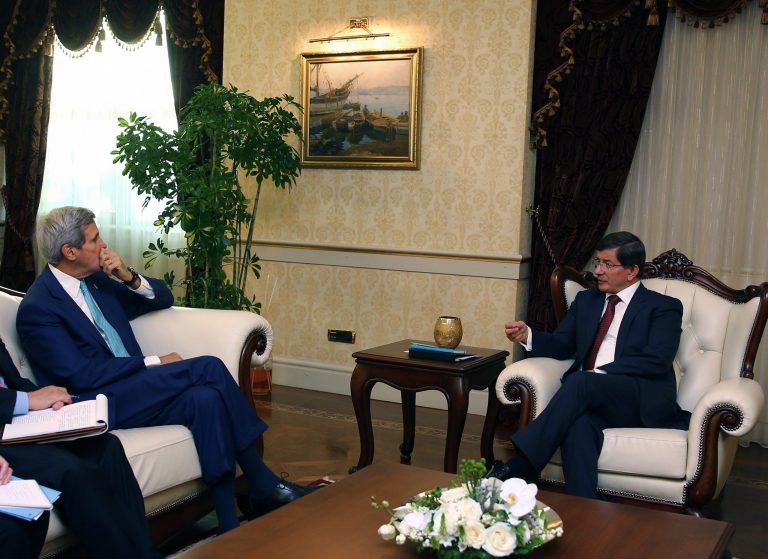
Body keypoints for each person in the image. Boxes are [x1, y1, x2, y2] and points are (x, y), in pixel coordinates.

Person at [16, 206, 314, 533]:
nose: (103, 245)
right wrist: (154, 362)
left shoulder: (97, 282)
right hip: (95, 403)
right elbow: (80, 376)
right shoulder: (39, 308)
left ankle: (229, 525)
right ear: (70, 251)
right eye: (95, 239)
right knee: (210, 368)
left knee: (205, 400)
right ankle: (262, 482)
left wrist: (127, 276)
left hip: (137, 388)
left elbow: (161, 298)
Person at [489, 231, 691, 498]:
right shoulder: (586, 301)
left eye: (607, 264)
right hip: (589, 397)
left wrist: (597, 374)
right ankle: (584, 509)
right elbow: (562, 344)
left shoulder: (663, 307)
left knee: (582, 380)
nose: (598, 270)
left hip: (638, 397)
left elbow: (657, 360)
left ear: (632, 271)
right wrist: (529, 336)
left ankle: (522, 465)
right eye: (597, 262)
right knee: (579, 426)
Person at [0, 338, 161, 559]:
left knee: (105, 445)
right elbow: (21, 397)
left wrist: (49, 398)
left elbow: (13, 382)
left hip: (17, 422)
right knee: (70, 470)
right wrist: (27, 400)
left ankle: (145, 552)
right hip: (4, 438)